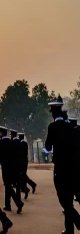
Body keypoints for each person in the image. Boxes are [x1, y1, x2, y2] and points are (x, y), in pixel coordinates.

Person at [45, 97, 80, 233]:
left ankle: (77, 221)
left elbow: (47, 147)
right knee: (69, 199)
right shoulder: (70, 128)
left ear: (53, 113)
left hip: (59, 169)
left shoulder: (52, 127)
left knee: (63, 200)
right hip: (71, 168)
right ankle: (69, 229)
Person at [0, 127, 23, 214]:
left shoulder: (0, 142)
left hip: (5, 167)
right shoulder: (11, 142)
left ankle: (18, 203)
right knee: (8, 186)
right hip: (11, 167)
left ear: (1, 133)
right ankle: (8, 205)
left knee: (8, 186)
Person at [17, 133, 36, 198]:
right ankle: (31, 185)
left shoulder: (21, 144)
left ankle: (25, 188)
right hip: (24, 162)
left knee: (22, 176)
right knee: (24, 176)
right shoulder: (24, 143)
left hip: (22, 163)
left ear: (20, 137)